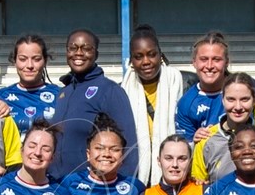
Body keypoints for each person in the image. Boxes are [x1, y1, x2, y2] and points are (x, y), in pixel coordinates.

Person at [50, 28, 139, 180]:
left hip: (92, 191)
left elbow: (128, 145)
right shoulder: (63, 93)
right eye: (73, 48)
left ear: (96, 54)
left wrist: (126, 188)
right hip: (58, 186)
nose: (78, 53)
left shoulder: (110, 90)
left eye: (86, 48)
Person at [192, 73, 255, 183]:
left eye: (244, 99)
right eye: (231, 99)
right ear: (222, 100)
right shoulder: (205, 139)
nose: (238, 107)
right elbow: (197, 187)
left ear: (254, 100)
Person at [121, 26, 187, 186]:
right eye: (139, 56)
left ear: (161, 55)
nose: (146, 61)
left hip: (176, 170)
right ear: (131, 60)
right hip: (136, 174)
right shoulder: (121, 92)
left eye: (152, 54)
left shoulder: (183, 83)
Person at [0, 34, 63, 133]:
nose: (29, 65)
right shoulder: (1, 96)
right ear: (14, 61)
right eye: (23, 59)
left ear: (45, 61)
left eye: (36, 59)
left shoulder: (59, 95)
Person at [174, 31, 231, 141]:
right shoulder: (186, 104)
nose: (209, 66)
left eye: (216, 59)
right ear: (194, 62)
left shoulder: (244, 90)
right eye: (204, 59)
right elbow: (184, 149)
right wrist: (194, 141)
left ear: (226, 62)